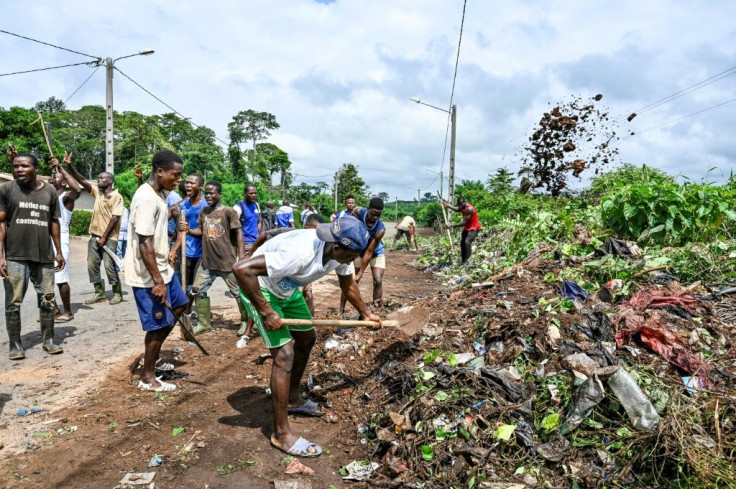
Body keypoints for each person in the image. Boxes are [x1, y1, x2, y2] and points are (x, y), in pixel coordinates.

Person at [233, 215, 380, 457]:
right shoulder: (300, 253)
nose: (353, 260)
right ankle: (281, 434)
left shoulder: (339, 254)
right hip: (261, 288)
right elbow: (241, 269)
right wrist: (267, 312)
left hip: (286, 290)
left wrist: (366, 313)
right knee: (284, 355)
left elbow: (348, 284)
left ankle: (292, 398)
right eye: (352, 255)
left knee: (307, 338)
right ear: (336, 246)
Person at [125, 150, 188, 392]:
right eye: (176, 175)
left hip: (164, 269)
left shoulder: (159, 194)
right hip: (148, 275)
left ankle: (154, 355)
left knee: (180, 305)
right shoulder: (146, 198)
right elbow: (144, 243)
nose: (179, 180)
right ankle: (147, 377)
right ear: (160, 172)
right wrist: (157, 281)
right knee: (156, 324)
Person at [1, 150, 65, 359]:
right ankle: (15, 345)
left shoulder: (50, 192)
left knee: (47, 299)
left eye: (25, 166)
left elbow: (54, 222)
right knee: (13, 302)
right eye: (16, 166)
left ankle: (49, 340)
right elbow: (1, 223)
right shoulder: (6, 190)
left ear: (36, 169)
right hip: (15, 256)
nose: (19, 169)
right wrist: (1, 256)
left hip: (44, 256)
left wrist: (59, 252)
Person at [238, 213, 324, 346]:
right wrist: (251, 255)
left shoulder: (316, 244)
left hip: (287, 275)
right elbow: (263, 235)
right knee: (258, 301)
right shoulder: (292, 233)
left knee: (307, 294)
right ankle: (247, 332)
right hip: (266, 270)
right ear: (307, 226)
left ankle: (300, 327)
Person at [185, 181, 248, 336]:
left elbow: (239, 233)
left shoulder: (229, 212)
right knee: (198, 290)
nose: (209, 196)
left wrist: (241, 256)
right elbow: (201, 230)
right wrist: (188, 230)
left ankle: (246, 321)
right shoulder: (204, 212)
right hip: (207, 262)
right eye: (206, 193)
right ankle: (203, 323)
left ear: (219, 194)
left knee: (238, 293)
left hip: (227, 262)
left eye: (212, 193)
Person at [67, 161, 124, 305]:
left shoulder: (117, 196)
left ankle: (117, 293)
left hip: (110, 238)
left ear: (110, 181)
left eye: (101, 178)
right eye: (97, 178)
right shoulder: (97, 192)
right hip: (94, 236)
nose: (98, 181)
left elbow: (115, 217)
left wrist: (104, 237)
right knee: (92, 265)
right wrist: (70, 166)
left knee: (109, 266)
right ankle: (99, 293)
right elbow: (81, 180)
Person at [47, 152, 82, 321]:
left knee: (60, 278)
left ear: (62, 182)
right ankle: (53, 311)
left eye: (54, 177)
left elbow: (77, 189)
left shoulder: (66, 198)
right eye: (50, 176)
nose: (50, 179)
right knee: (45, 279)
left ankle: (68, 311)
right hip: (45, 241)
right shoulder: (47, 197)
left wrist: (61, 166)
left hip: (60, 242)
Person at [339, 198, 386, 315]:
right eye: (373, 214)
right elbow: (350, 219)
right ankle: (341, 310)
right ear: (368, 209)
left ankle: (376, 309)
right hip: (358, 251)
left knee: (378, 281)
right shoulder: (359, 212)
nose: (375, 218)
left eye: (378, 215)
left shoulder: (380, 229)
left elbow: (369, 251)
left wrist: (361, 273)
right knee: (349, 282)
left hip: (375, 252)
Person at [169, 174, 206, 293]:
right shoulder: (184, 205)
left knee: (199, 287)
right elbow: (182, 230)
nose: (188, 185)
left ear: (200, 186)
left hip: (202, 252)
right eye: (187, 183)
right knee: (187, 284)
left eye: (192, 183)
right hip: (187, 250)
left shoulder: (206, 205)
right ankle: (187, 310)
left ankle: (202, 311)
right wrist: (174, 250)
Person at [441, 196, 482, 263]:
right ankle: (463, 260)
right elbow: (457, 209)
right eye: (459, 204)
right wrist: (448, 206)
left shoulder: (470, 209)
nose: (460, 205)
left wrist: (451, 225)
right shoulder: (462, 206)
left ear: (464, 202)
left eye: (461, 204)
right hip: (467, 227)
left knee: (467, 242)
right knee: (462, 243)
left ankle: (468, 261)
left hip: (474, 228)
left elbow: (465, 222)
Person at [233, 184, 261, 255]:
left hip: (256, 243)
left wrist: (260, 239)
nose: (254, 195)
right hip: (245, 245)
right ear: (245, 194)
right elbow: (233, 228)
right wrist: (238, 248)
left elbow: (259, 222)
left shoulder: (256, 205)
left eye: (255, 193)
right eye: (251, 193)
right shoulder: (238, 208)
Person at [116, 206, 129, 272]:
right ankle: (118, 268)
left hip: (126, 235)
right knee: (118, 252)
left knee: (125, 253)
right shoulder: (116, 208)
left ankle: (124, 268)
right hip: (119, 234)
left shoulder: (126, 209)